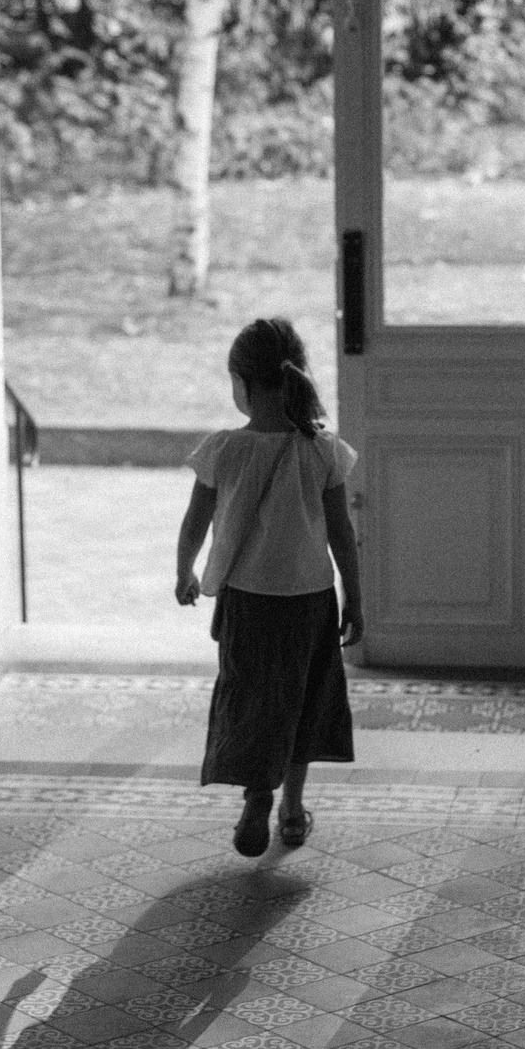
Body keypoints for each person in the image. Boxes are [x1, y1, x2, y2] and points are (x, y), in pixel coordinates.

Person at [174, 317, 363, 857]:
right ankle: (294, 807)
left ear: (242, 384)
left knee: (252, 696)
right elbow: (342, 533)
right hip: (309, 599)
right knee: (306, 700)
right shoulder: (324, 451)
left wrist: (184, 570)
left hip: (247, 600)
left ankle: (258, 792)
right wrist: (357, 596)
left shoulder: (224, 450)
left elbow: (194, 520)